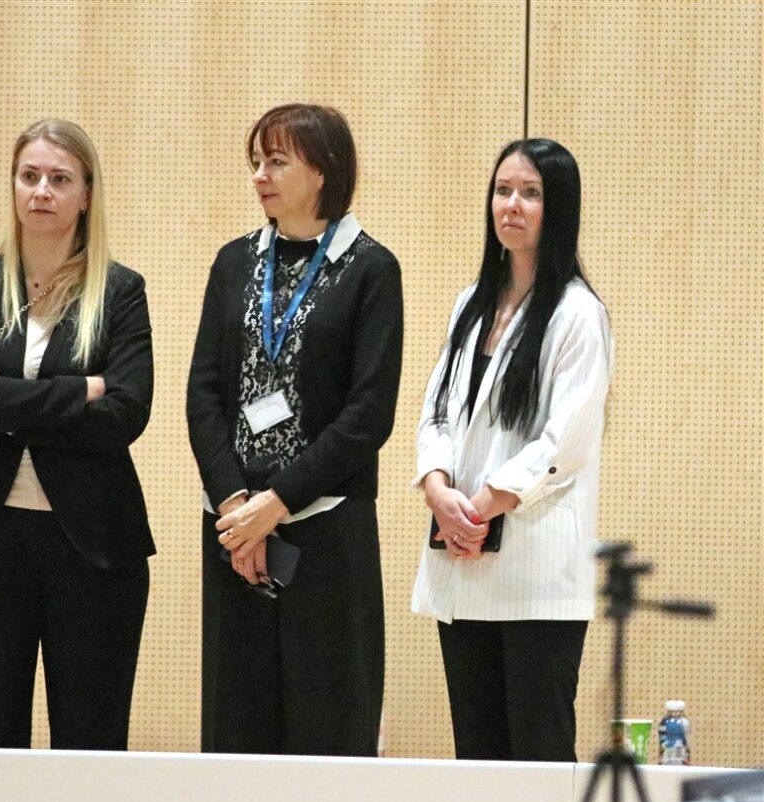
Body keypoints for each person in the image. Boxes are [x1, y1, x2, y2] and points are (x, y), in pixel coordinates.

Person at [187, 104, 403, 757]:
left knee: (328, 731)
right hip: (233, 536)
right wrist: (237, 508)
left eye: (277, 161)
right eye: (256, 161)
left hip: (326, 531)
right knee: (237, 733)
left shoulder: (371, 269)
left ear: (323, 171)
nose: (260, 175)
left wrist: (275, 505)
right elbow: (204, 394)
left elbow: (368, 413)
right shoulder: (233, 263)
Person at [0, 119, 155, 749]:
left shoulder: (120, 293)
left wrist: (7, 399)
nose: (42, 191)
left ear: (86, 195)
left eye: (60, 179)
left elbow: (127, 414)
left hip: (92, 547)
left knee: (90, 743)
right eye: (29, 176)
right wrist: (84, 389)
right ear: (13, 186)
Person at [411, 138, 613, 762]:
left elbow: (564, 443)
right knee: (478, 762)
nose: (512, 205)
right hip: (464, 559)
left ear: (560, 209)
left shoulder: (579, 314)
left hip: (536, 569)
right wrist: (438, 488)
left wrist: (477, 509)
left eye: (530, 193)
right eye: (502, 191)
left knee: (538, 758)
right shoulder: (471, 304)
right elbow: (436, 412)